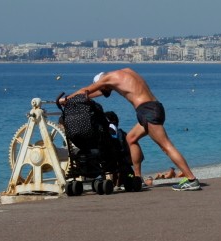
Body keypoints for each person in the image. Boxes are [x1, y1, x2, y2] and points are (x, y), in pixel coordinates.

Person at [64, 68, 200, 191]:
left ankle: (191, 179)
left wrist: (65, 100)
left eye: (106, 89)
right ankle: (137, 177)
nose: (107, 92)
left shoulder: (107, 79)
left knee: (166, 146)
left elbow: (85, 91)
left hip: (147, 111)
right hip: (154, 107)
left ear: (101, 81)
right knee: (131, 138)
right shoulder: (126, 72)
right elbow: (95, 93)